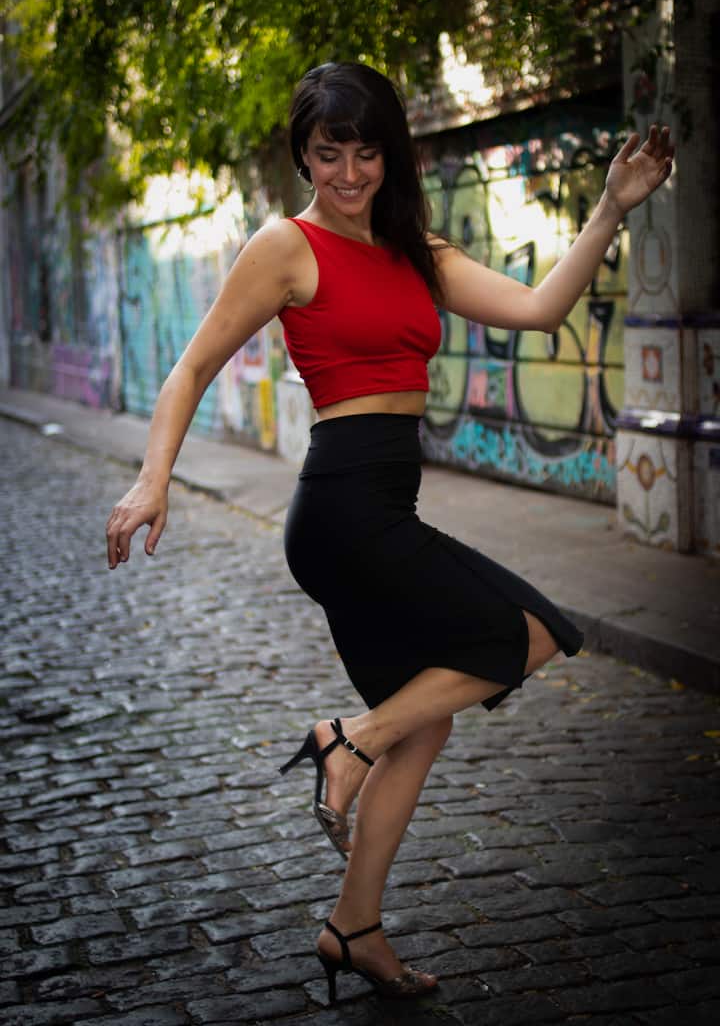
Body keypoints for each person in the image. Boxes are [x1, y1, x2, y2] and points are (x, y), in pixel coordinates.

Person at [106, 61, 674, 1003]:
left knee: (426, 723)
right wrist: (152, 477)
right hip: (343, 510)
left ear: (390, 156)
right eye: (328, 154)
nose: (348, 173)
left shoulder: (418, 250)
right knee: (532, 632)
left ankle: (353, 926)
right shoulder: (285, 247)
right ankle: (349, 740)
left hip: (379, 510)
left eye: (365, 153)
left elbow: (542, 309)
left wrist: (611, 207)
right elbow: (192, 366)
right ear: (304, 157)